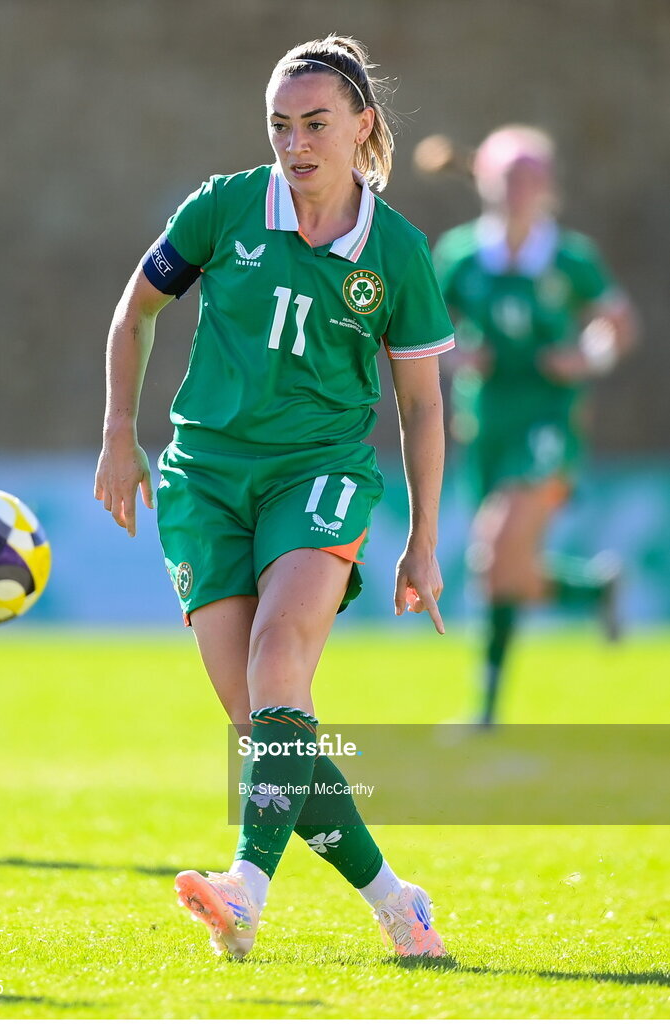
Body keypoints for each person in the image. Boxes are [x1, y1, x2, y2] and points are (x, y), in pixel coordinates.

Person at [94, 35, 454, 960]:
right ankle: (394, 901)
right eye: (280, 124)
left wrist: (421, 539)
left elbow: (419, 404)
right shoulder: (223, 208)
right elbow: (134, 312)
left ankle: (243, 891)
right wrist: (117, 437)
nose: (295, 143)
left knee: (277, 652)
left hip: (319, 474)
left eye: (316, 124)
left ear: (361, 127)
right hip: (203, 481)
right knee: (264, 729)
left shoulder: (399, 254)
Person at [433, 125, 636, 727]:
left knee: (494, 549)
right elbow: (421, 325)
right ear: (486, 183)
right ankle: (590, 592)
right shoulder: (461, 255)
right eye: (508, 176)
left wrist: (588, 356)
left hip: (549, 420)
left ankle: (486, 708)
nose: (520, 189)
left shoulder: (569, 258)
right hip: (487, 421)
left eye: (531, 177)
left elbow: (618, 324)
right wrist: (452, 355)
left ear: (548, 187)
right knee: (501, 566)